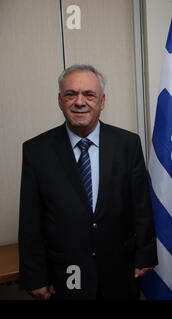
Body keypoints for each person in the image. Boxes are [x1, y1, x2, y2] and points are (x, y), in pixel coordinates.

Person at [19, 64, 158, 300]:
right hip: (65, 276)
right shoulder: (36, 151)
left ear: (102, 101)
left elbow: (141, 206)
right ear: (60, 100)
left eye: (89, 95)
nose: (80, 102)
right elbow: (30, 220)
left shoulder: (128, 144)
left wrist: (145, 255)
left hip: (119, 272)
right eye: (71, 94)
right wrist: (35, 277)